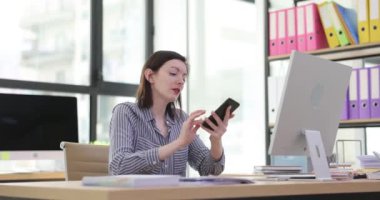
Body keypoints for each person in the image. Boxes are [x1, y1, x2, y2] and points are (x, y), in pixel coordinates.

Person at [108, 50, 234, 176]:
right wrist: (178, 143)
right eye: (173, 73)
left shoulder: (182, 120)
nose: (181, 81)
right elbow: (118, 167)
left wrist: (216, 139)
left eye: (184, 77)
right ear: (150, 76)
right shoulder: (126, 112)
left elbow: (210, 170)